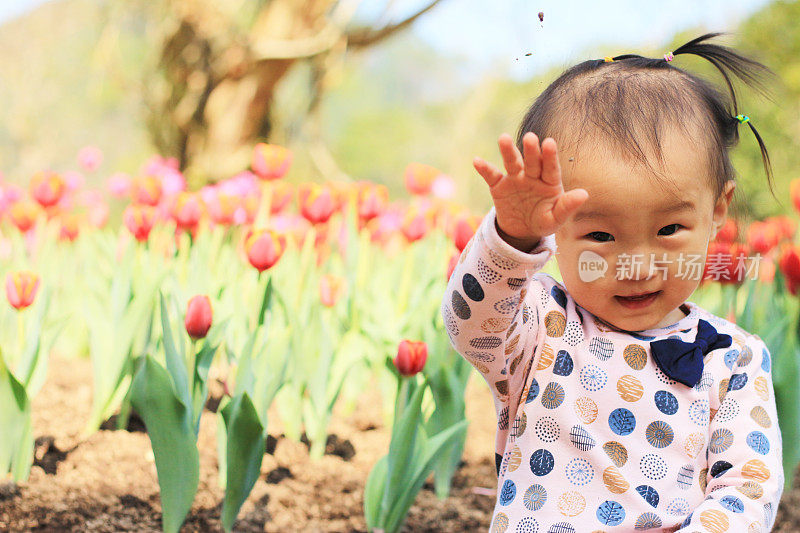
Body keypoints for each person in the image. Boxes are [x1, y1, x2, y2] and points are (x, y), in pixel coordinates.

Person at [441, 32, 784, 532]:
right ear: (555, 227)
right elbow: (471, 324)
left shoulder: (733, 358)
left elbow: (748, 490)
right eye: (601, 234)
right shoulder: (541, 327)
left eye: (668, 229)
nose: (636, 265)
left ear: (717, 212)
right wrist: (510, 239)